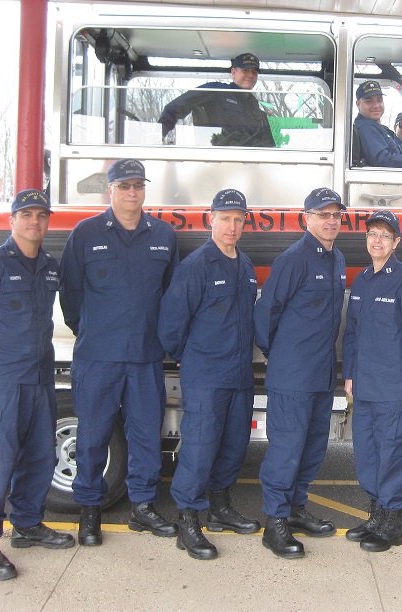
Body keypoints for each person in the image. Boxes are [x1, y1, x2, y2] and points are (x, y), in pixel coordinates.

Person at [60, 159, 180, 547]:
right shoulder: (86, 233)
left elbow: (171, 294)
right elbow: (71, 294)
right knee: (93, 436)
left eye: (137, 186)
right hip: (98, 356)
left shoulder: (163, 234)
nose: (132, 193)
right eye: (124, 186)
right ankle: (89, 511)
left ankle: (143, 507)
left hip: (145, 357)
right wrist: (92, 331)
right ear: (109, 189)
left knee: (146, 434)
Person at [0, 190, 74, 581]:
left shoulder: (49, 266)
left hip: (39, 379)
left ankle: (28, 524)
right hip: (1, 382)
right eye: (27, 214)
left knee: (38, 457)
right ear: (12, 220)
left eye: (41, 215)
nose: (35, 221)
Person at [158, 189, 261, 561]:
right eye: (226, 218)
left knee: (233, 446)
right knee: (200, 449)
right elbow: (171, 324)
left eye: (239, 219)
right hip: (206, 375)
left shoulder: (245, 266)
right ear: (211, 219)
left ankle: (220, 508)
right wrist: (190, 358)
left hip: (239, 375)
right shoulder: (197, 265)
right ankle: (188, 521)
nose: (232, 226)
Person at [254, 187, 346, 559]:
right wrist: (279, 356)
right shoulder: (293, 259)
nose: (331, 221)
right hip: (292, 374)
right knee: (287, 448)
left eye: (336, 215)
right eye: (323, 214)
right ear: (306, 218)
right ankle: (273, 523)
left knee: (312, 447)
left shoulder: (336, 258)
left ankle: (295, 507)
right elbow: (265, 315)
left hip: (322, 373)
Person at [341, 210, 402, 553]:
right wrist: (349, 374)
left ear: (395, 243)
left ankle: (393, 524)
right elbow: (352, 332)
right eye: (371, 234)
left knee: (391, 454)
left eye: (384, 235)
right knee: (367, 454)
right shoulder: (362, 279)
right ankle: (377, 514)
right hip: (364, 386)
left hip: (395, 390)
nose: (376, 241)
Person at [159, 53, 275, 148]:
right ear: (233, 72)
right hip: (219, 157)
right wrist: (157, 137)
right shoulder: (217, 91)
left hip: (250, 162)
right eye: (245, 71)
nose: (250, 75)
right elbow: (175, 107)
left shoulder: (254, 105)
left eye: (254, 72)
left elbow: (265, 138)